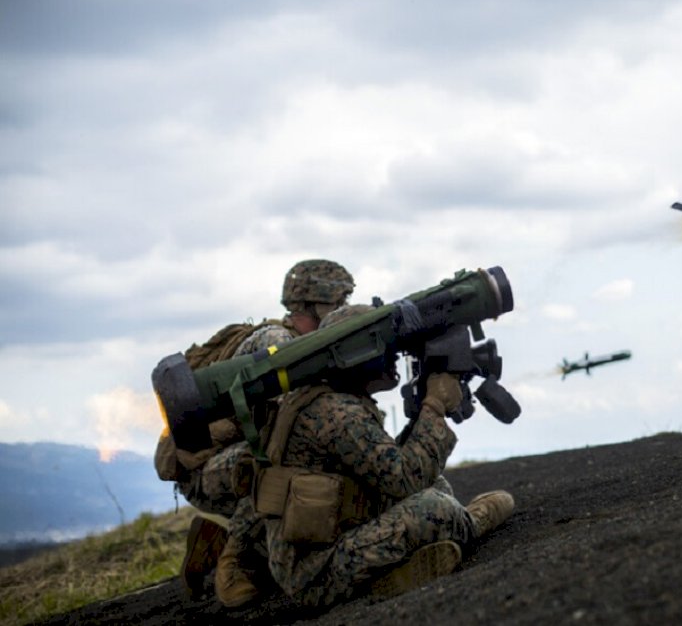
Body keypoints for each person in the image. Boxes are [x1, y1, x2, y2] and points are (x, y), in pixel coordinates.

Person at [220, 303, 515, 608]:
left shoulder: (325, 398)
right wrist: (435, 406)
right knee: (436, 508)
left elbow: (384, 465)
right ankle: (472, 523)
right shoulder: (336, 412)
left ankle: (394, 576)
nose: (395, 357)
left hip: (325, 549)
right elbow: (404, 478)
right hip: (316, 573)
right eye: (385, 348)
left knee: (436, 484)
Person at [168, 259, 356, 598]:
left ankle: (216, 543)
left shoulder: (310, 350)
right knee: (288, 450)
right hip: (208, 467)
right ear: (309, 306)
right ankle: (234, 559)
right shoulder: (277, 342)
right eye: (337, 305)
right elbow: (292, 425)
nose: (343, 312)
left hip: (241, 455)